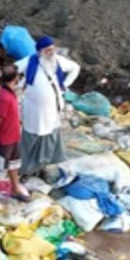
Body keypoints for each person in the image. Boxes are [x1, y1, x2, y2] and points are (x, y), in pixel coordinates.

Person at [15, 36, 80, 176]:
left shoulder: (58, 61)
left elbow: (75, 68)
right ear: (40, 51)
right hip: (33, 111)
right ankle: (27, 169)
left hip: (51, 111)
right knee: (30, 139)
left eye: (52, 49)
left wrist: (65, 85)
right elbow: (13, 68)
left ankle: (42, 166)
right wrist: (18, 84)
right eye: (47, 50)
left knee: (48, 139)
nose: (51, 52)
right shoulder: (30, 61)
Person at [0, 66, 30, 209]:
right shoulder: (4, 96)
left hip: (13, 137)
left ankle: (15, 188)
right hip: (4, 139)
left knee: (14, 165)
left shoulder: (9, 92)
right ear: (15, 78)